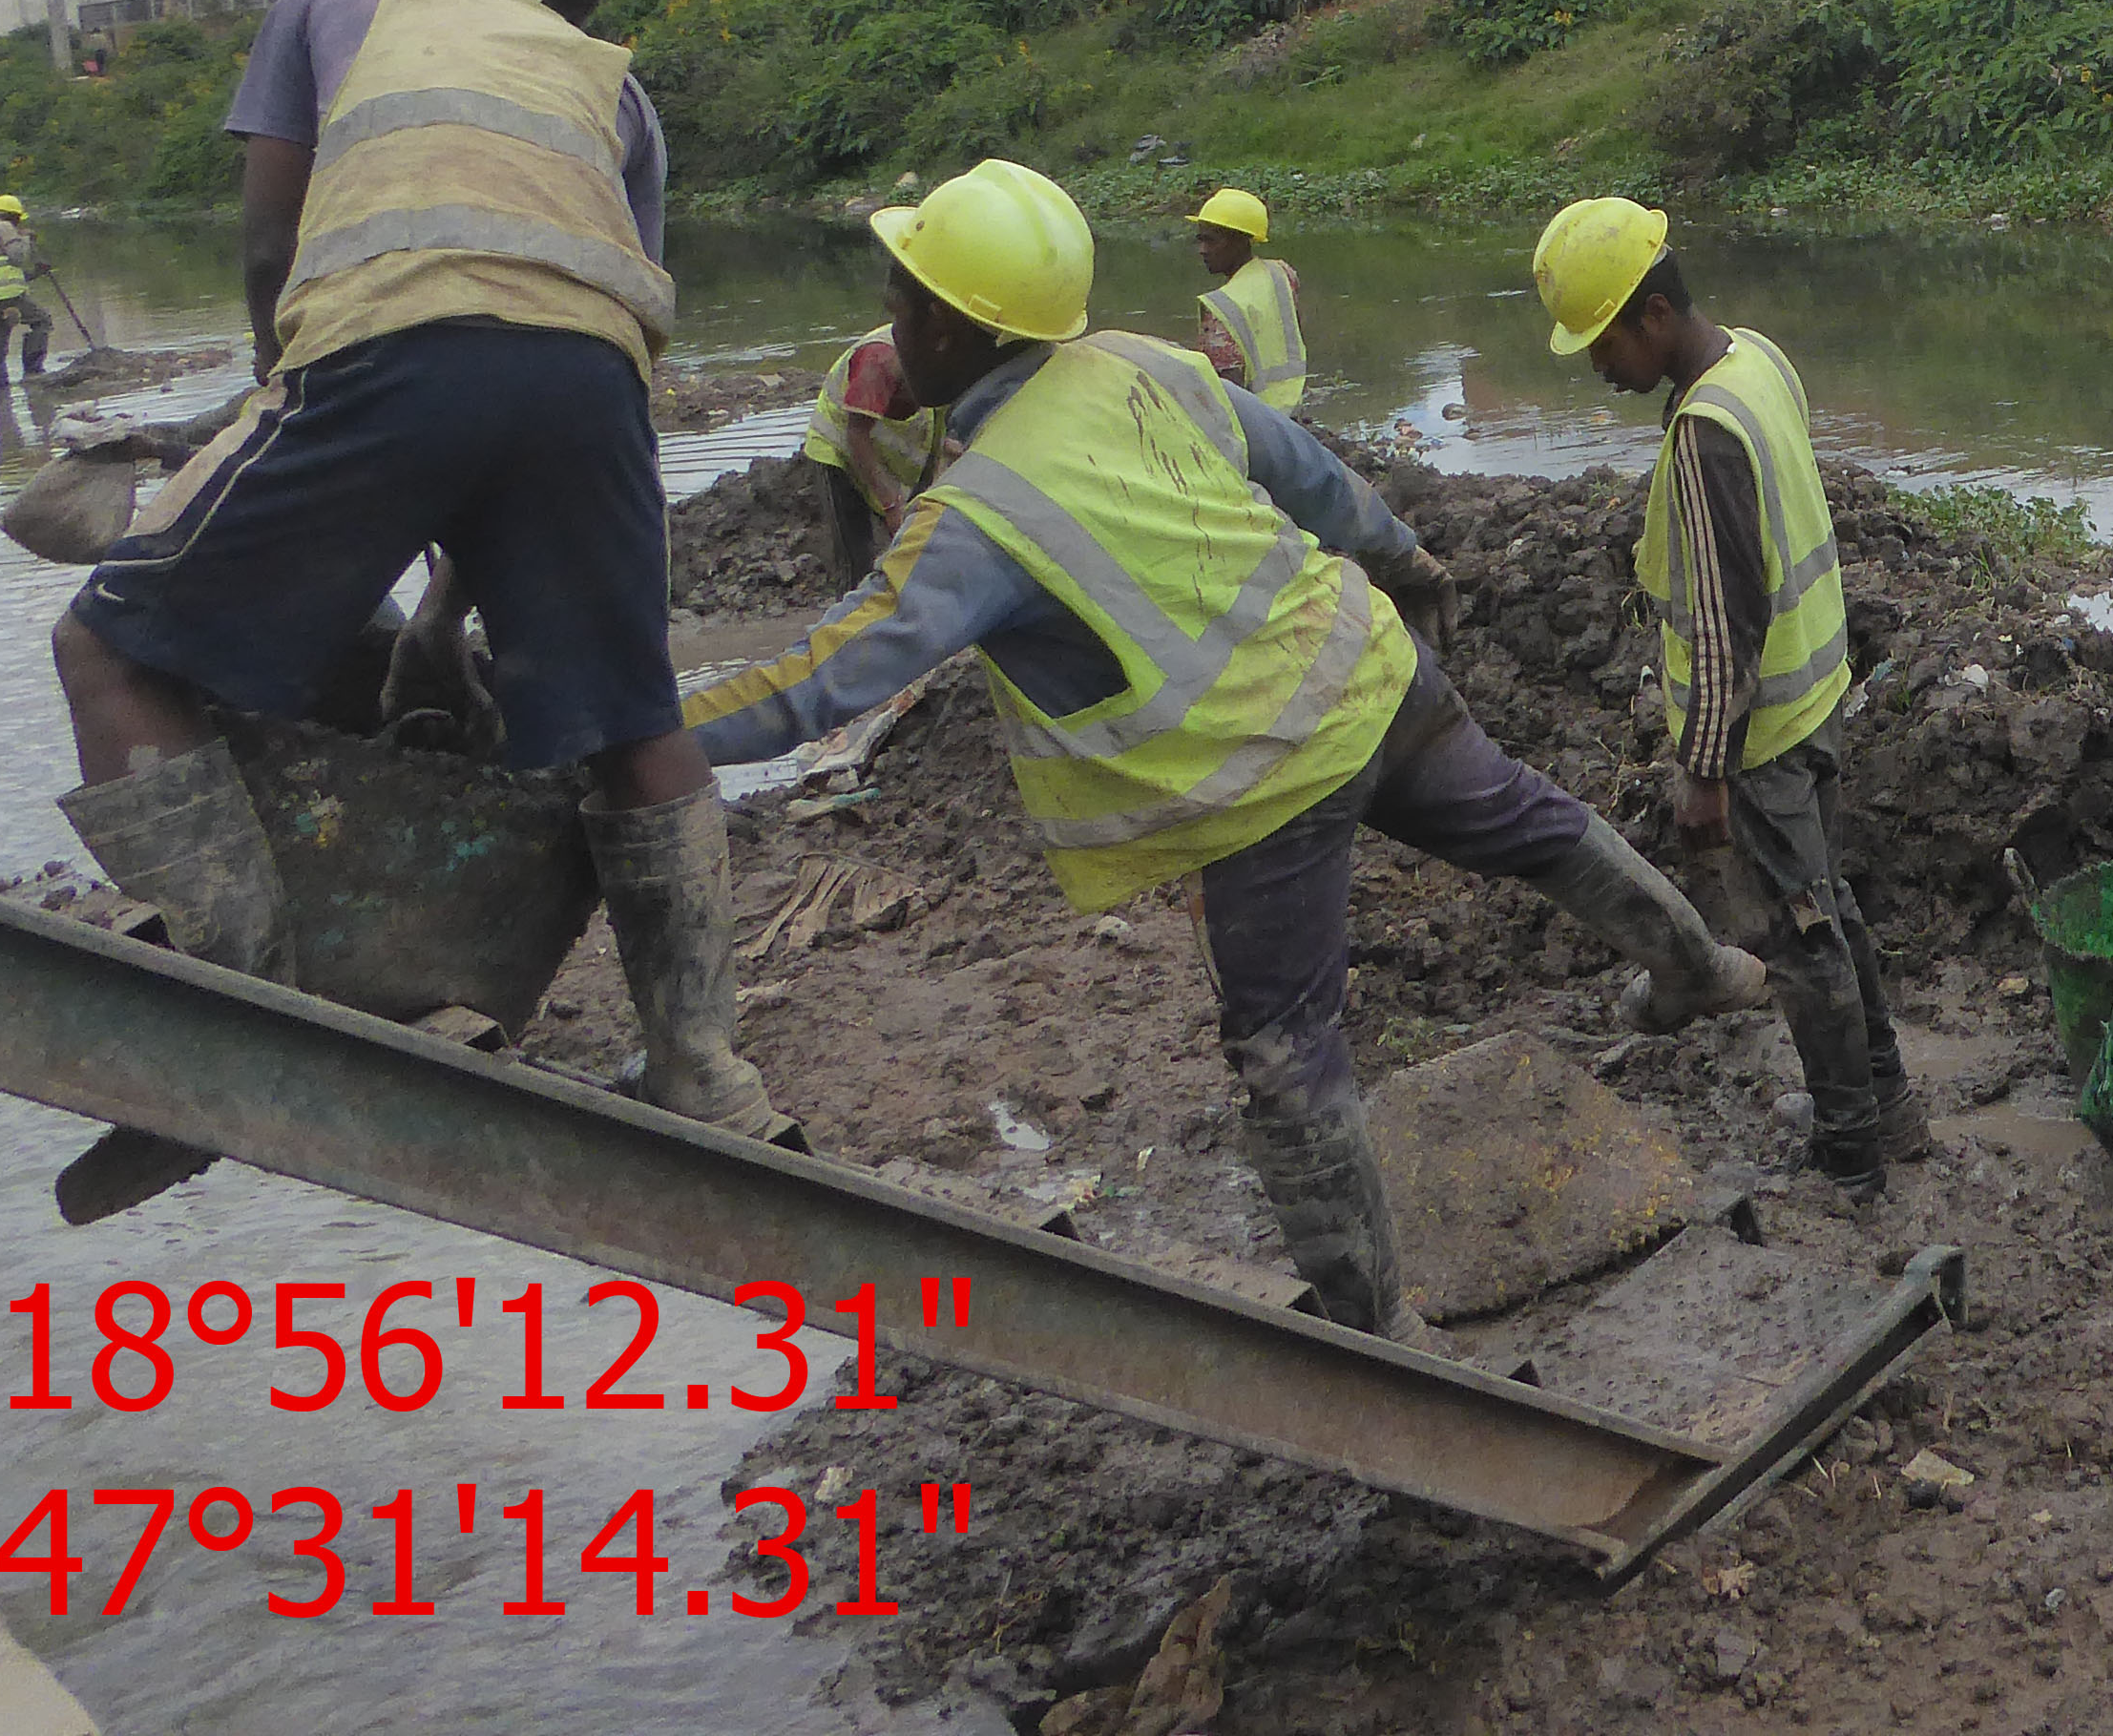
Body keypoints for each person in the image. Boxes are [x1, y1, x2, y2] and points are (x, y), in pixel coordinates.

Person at [680, 157, 1767, 1334]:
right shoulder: (1144, 363)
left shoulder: (976, 517)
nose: (889, 328)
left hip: (1263, 781)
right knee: (1530, 824)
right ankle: (1703, 968)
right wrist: (1406, 558)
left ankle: (1377, 1323)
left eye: (901, 303)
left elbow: (832, 672)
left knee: (1287, 1045)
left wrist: (637, 727)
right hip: (1365, 667)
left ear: (947, 324)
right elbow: (1308, 476)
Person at [47, 0, 780, 1143]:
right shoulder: (615, 92)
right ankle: (706, 1065)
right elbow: (561, 328)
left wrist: (277, 405)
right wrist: (447, 611)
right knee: (629, 721)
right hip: (589, 388)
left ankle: (238, 1006)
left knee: (108, 646)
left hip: (386, 348)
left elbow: (276, 241)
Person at [1536, 198, 1924, 1194]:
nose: (1598, 368)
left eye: (1603, 344)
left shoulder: (1707, 432)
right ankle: (1888, 1106)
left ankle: (1849, 1157)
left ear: (1654, 315)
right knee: (1824, 907)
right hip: (1817, 694)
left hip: (1763, 739)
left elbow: (1725, 620)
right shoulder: (1757, 359)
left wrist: (1704, 768)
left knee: (1799, 943)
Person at [799, 324, 948, 588]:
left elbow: (944, 425)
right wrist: (891, 504)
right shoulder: (879, 363)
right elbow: (856, 435)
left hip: (891, 454)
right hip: (837, 451)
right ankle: (846, 622)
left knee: (916, 540)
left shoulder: (946, 354)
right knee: (856, 553)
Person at [1186, 187, 1308, 412]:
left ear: (1241, 241)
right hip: (1293, 407)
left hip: (1255, 420)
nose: (1202, 250)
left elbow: (1227, 391)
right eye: (1200, 240)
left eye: (1211, 241)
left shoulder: (1220, 305)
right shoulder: (1281, 273)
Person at [0, 195, 56, 385]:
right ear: (13, 217)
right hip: (9, 298)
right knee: (41, 321)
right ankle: (33, 372)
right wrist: (25, 239)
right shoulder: (4, 227)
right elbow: (17, 258)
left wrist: (34, 274)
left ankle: (2, 396)